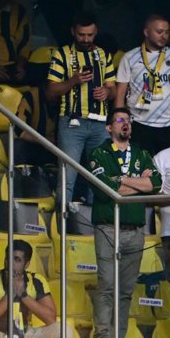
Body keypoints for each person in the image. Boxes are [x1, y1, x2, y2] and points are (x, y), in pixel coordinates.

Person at [45, 14, 116, 206]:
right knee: (68, 176)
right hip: (71, 122)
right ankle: (62, 228)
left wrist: (107, 92)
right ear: (73, 32)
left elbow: (113, 88)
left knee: (100, 175)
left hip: (100, 123)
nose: (85, 39)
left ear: (96, 33)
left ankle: (94, 225)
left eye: (90, 35)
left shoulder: (104, 55)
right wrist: (73, 81)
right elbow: (51, 91)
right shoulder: (62, 55)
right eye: (81, 35)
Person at [114, 15, 170, 155]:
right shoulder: (129, 57)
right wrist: (121, 123)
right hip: (140, 124)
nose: (164, 36)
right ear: (146, 32)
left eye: (166, 32)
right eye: (159, 32)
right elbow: (119, 96)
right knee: (141, 169)